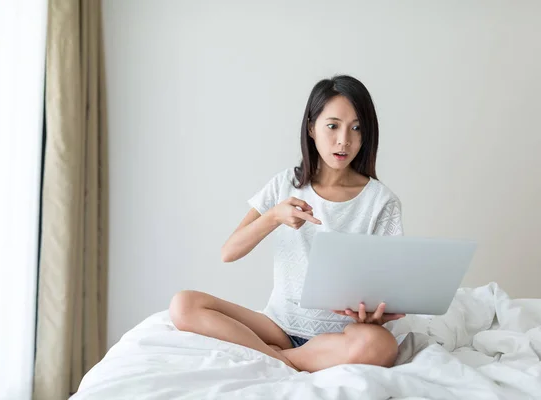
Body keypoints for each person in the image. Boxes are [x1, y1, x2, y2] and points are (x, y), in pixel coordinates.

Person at [169, 75, 406, 372]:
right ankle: (291, 358)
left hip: (341, 334)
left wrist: (375, 315)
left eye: (356, 128)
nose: (344, 140)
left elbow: (388, 286)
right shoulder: (285, 184)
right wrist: (274, 217)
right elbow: (228, 252)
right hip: (278, 325)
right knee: (184, 304)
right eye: (332, 126)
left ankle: (279, 359)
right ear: (311, 128)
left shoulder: (381, 200)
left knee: (381, 345)